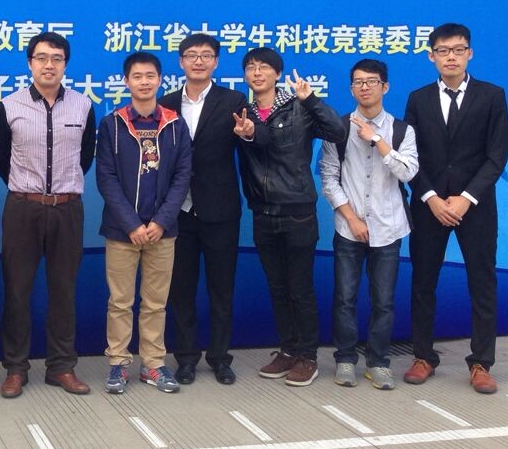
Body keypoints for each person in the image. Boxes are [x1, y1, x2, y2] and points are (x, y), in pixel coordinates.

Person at [403, 23, 508, 394]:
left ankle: (481, 362)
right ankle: (423, 356)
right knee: (423, 282)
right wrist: (431, 197)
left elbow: (497, 156)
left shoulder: (492, 95)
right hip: (429, 206)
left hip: (475, 206)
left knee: (482, 282)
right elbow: (410, 156)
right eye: (443, 51)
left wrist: (466, 197)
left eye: (458, 50)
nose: (451, 57)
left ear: (470, 54)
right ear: (431, 56)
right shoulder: (418, 99)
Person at [0, 32, 96, 398]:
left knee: (63, 290)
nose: (48, 65)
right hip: (23, 208)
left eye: (56, 58)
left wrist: (60, 190)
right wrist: (28, 190)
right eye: (41, 58)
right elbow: (0, 157)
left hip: (67, 208)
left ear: (65, 64)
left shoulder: (83, 106)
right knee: (17, 291)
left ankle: (61, 366)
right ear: (29, 63)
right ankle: (15, 368)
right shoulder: (10, 106)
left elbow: (86, 156)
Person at [233, 48, 345, 387]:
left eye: (264, 67)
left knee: (300, 289)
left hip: (297, 211)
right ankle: (287, 349)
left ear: (277, 74)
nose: (257, 73)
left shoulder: (299, 107)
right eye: (250, 67)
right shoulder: (243, 112)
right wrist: (247, 131)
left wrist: (311, 100)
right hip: (262, 212)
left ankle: (307, 357)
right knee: (278, 288)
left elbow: (337, 131)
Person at [318, 59, 418, 391]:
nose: (364, 87)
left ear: (385, 87)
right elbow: (329, 179)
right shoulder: (338, 128)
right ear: (351, 89)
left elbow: (408, 172)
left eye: (371, 81)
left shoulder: (402, 131)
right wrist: (352, 218)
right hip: (349, 228)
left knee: (383, 301)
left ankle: (378, 363)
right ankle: (345, 359)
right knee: (345, 298)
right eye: (358, 82)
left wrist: (377, 139)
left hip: (389, 228)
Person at [96, 52, 192, 394]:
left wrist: (162, 221)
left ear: (160, 80)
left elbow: (183, 176)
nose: (144, 82)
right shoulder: (112, 124)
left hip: (163, 232)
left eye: (150, 76)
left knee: (155, 303)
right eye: (137, 76)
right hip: (123, 232)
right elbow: (106, 178)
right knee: (120, 302)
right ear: (127, 82)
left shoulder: (175, 124)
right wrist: (132, 224)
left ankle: (153, 363)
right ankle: (118, 363)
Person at [159, 33, 248, 386]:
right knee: (181, 290)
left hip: (220, 209)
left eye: (206, 55)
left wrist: (248, 133)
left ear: (216, 62)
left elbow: (252, 141)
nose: (199, 61)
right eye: (192, 55)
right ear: (181, 61)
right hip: (177, 211)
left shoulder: (233, 100)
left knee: (221, 289)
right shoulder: (165, 103)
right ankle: (185, 358)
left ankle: (220, 358)